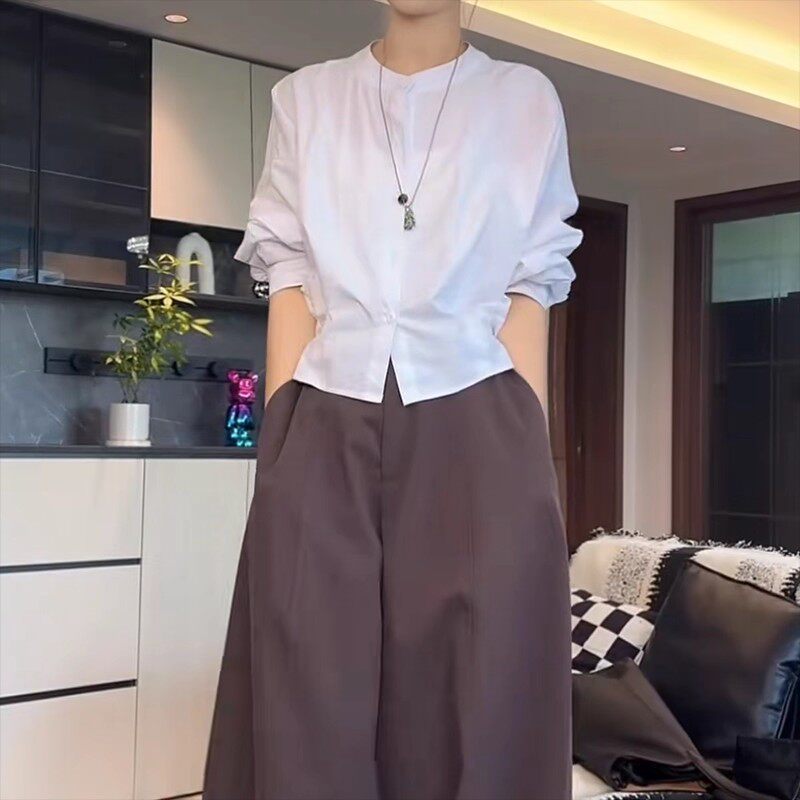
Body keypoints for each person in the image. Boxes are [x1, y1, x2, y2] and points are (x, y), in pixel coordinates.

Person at [203, 1, 583, 798]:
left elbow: (531, 287)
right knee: (306, 681)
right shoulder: (306, 99)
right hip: (322, 411)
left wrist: (529, 462)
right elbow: (290, 279)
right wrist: (279, 441)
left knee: (479, 683)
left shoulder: (525, 99)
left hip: (478, 412)